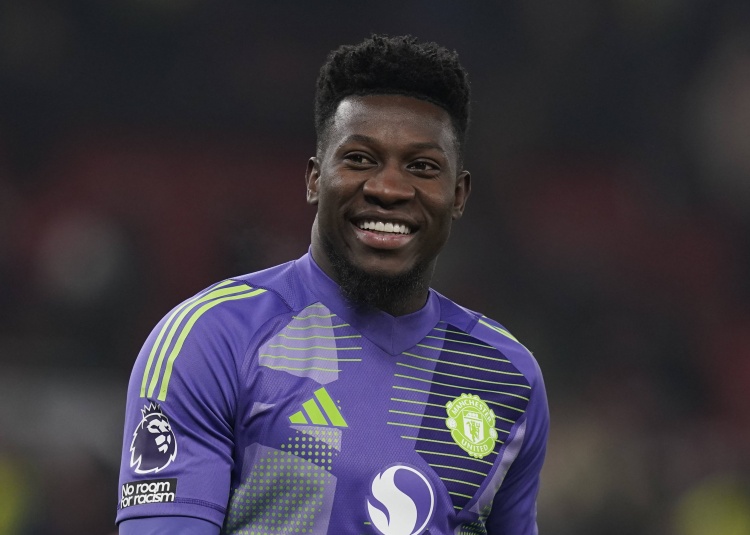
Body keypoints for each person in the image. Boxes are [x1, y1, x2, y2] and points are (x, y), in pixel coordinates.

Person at [117, 34, 549, 535]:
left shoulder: (507, 375)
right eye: (360, 159)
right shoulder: (213, 339)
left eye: (422, 167)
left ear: (458, 195)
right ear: (314, 179)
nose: (388, 189)